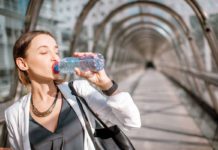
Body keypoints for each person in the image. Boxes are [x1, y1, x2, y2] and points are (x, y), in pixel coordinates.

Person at [4, 30, 141, 150]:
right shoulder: (14, 114)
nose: (55, 57)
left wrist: (106, 84)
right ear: (23, 63)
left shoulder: (78, 91)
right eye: (44, 52)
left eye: (56, 51)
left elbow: (131, 122)